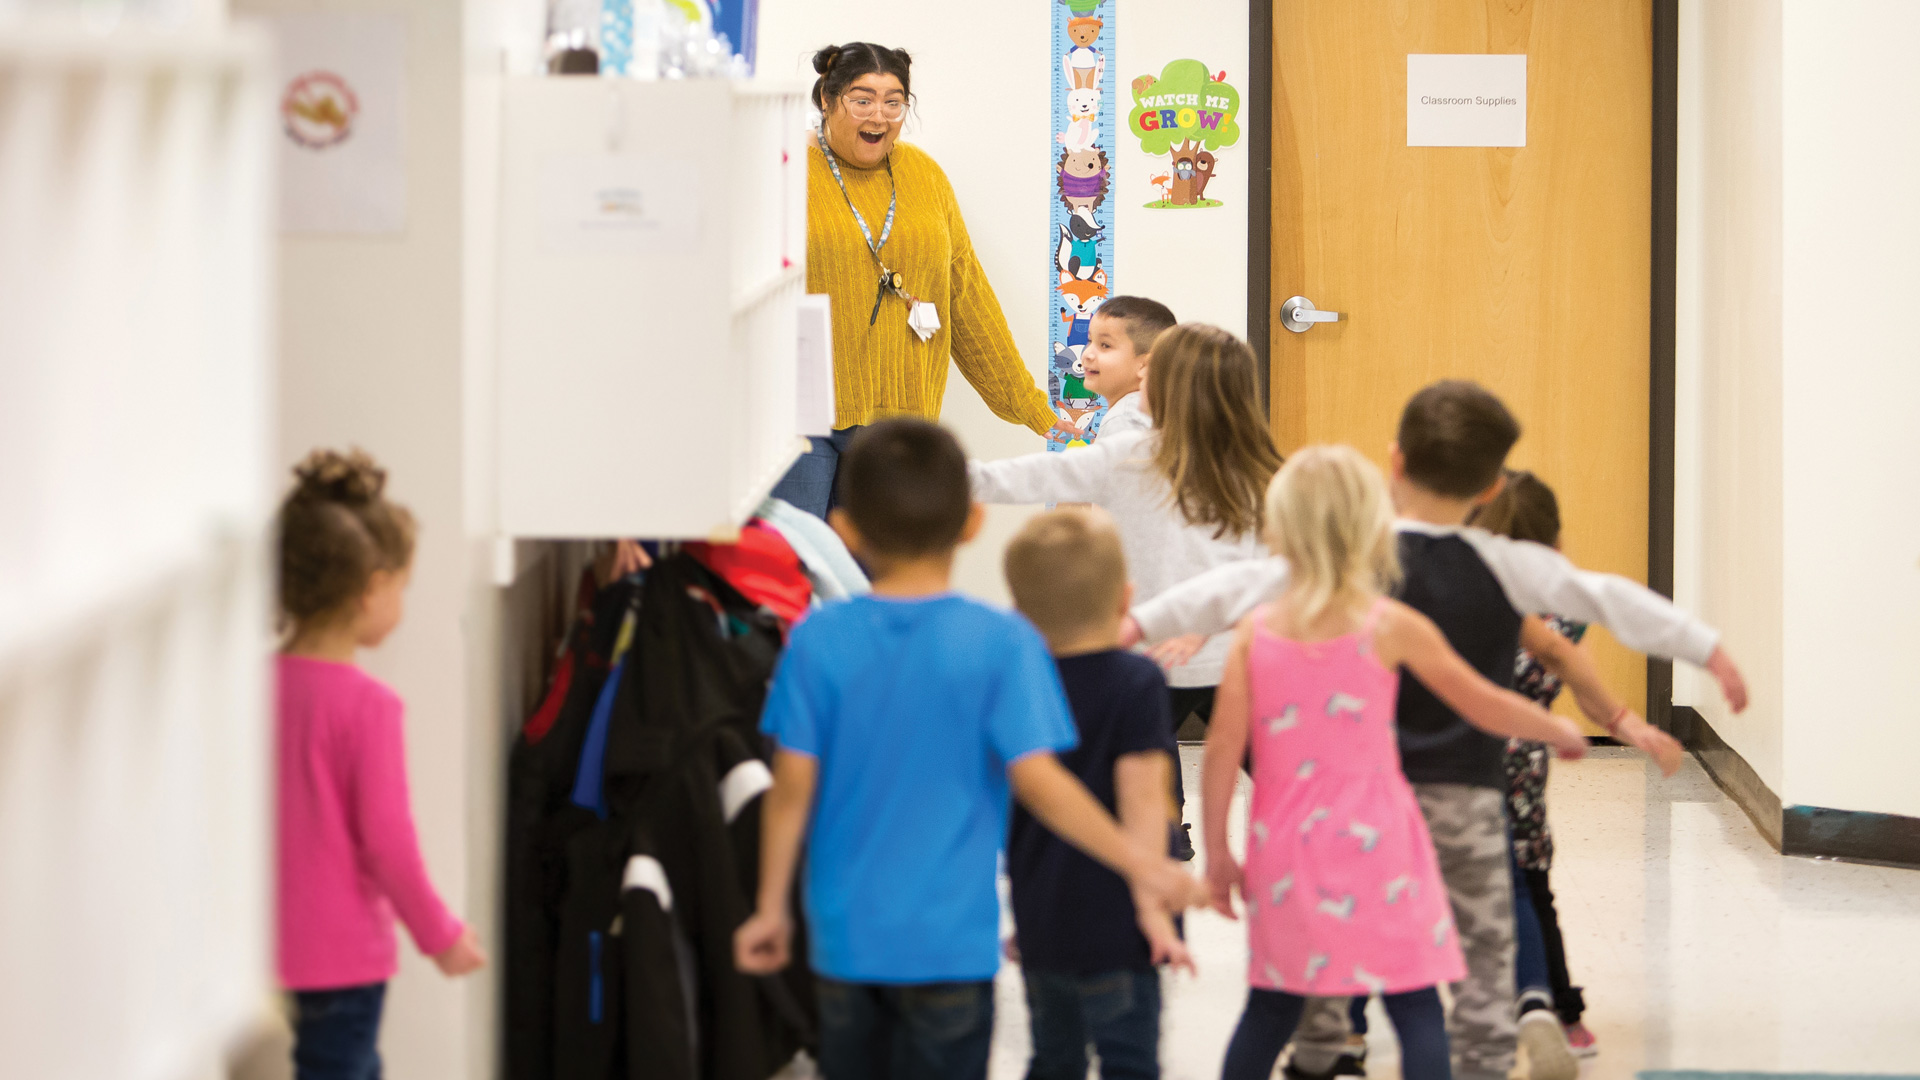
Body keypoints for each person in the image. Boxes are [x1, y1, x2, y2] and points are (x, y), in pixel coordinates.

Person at [1124, 381, 1750, 1080]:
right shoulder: (1502, 560)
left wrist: (1137, 623)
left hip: (1364, 807)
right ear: (1490, 488)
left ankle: (1329, 1045)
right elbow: (1603, 596)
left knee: (1339, 929)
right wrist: (1704, 646)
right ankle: (1481, 1059)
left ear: (1394, 462)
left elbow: (1228, 589)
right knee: (1476, 957)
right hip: (1463, 797)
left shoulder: (1352, 551)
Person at [732, 419, 1204, 1080]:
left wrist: (771, 906)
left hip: (842, 938)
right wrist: (1141, 862)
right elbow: (1042, 785)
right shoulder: (999, 642)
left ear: (845, 529)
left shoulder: (818, 639)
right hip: (952, 942)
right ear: (973, 524)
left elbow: (791, 789)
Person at [1205, 445, 1590, 1080]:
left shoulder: (1256, 631)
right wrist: (1552, 726)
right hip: (1380, 843)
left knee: (1270, 1008)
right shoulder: (1391, 625)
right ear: (1371, 531)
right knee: (1413, 1003)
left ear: (1275, 530)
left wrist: (1219, 851)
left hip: (1287, 849)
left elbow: (1221, 751)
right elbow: (1482, 701)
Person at [970, 322, 1285, 856]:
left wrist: (940, 472)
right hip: (1231, 660)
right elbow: (1273, 575)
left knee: (1145, 785)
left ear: (1162, 389)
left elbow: (1030, 477)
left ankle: (1163, 842)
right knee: (1284, 781)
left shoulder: (1128, 457)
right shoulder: (1261, 469)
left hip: (1147, 658)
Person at [773, 43, 1077, 519]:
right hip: (797, 415)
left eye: (894, 101)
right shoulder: (783, 170)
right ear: (827, 100)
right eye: (862, 99)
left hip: (898, 421)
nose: (880, 115)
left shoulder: (925, 176)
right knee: (799, 571)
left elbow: (966, 297)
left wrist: (1030, 406)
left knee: (881, 572)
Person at [274, 449, 486, 1080]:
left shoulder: (249, 689)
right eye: (403, 586)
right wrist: (441, 935)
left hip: (253, 958)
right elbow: (389, 844)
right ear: (372, 590)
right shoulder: (369, 708)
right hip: (341, 964)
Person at [1473, 471, 1685, 1062]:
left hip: (1457, 759)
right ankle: (1563, 1014)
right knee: (1533, 885)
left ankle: (1436, 1006)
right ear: (1555, 543)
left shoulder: (1467, 594)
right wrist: (1628, 724)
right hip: (1522, 768)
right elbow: (1573, 670)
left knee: (1457, 886)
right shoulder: (1561, 610)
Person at [1003, 508, 1190, 1080]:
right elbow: (1143, 806)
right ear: (1125, 599)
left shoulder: (1015, 682)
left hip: (1044, 921)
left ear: (1022, 612)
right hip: (1122, 927)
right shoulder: (1136, 683)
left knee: (1053, 1059)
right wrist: (1154, 910)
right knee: (1128, 1061)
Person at [1075, 295, 1178, 437]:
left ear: (1145, 365)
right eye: (1089, 340)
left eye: (1105, 345)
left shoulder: (1124, 419)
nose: (1087, 354)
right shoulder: (1146, 410)